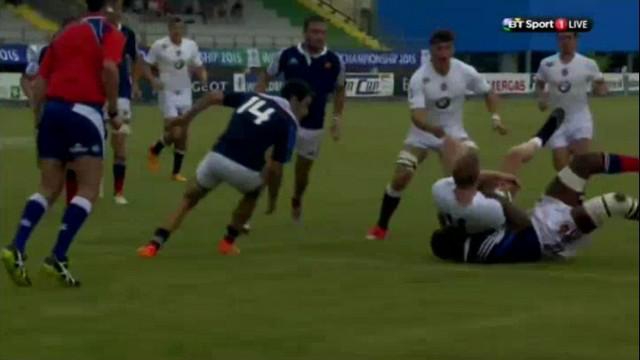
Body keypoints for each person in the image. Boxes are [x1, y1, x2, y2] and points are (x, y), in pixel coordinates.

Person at [1, 0, 125, 287]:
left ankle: (16, 246)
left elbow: (40, 82)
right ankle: (57, 255)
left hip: (52, 112)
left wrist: (39, 119)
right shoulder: (108, 32)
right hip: (83, 112)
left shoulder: (64, 34)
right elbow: (109, 68)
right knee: (89, 188)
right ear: (108, 7)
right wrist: (115, 111)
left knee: (48, 187)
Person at [137, 80, 312, 258]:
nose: (306, 112)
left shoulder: (253, 96)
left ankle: (154, 245)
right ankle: (228, 242)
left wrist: (186, 118)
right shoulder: (289, 124)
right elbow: (276, 169)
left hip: (216, 160)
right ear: (294, 100)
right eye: (306, 106)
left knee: (188, 201)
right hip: (246, 173)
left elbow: (214, 96)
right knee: (253, 192)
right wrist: (272, 200)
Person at [365, 29, 506, 240]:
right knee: (402, 176)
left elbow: (489, 92)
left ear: (453, 49)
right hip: (422, 135)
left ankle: (469, 228)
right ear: (431, 51)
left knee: (465, 178)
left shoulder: (464, 70)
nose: (443, 53)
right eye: (439, 48)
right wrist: (434, 130)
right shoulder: (420, 78)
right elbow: (417, 117)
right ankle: (381, 226)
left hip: (454, 134)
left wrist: (495, 118)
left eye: (447, 48)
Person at [430, 147, 639, 264]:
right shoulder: (483, 235)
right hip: (547, 237)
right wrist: (495, 195)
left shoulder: (452, 205)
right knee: (615, 202)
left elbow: (465, 186)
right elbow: (523, 223)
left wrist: (494, 185)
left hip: (542, 216)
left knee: (584, 162)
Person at [257, 15, 346, 222]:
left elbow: (340, 90)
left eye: (323, 32)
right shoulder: (287, 55)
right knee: (272, 166)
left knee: (302, 173)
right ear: (305, 33)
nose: (319, 36)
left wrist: (336, 118)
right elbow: (265, 77)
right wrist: (259, 100)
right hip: (284, 121)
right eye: (315, 32)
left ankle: (297, 198)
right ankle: (269, 201)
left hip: (314, 125)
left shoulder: (334, 61)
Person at [144, 16, 207, 182]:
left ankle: (175, 172)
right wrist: (152, 80)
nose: (177, 32)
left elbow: (198, 65)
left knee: (184, 133)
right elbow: (146, 65)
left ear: (183, 30)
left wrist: (203, 78)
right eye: (174, 29)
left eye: (180, 29)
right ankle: (155, 150)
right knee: (175, 131)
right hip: (167, 92)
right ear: (169, 29)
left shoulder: (191, 45)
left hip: (185, 91)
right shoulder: (159, 45)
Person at [535, 31, 608, 171]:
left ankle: (579, 192)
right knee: (560, 164)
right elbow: (539, 82)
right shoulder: (547, 63)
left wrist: (600, 90)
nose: (565, 41)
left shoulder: (588, 63)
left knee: (581, 162)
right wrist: (542, 97)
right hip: (557, 120)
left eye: (568, 38)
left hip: (580, 118)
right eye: (561, 38)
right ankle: (567, 190)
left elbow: (600, 84)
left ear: (576, 40)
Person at [106, 1, 143, 205]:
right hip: (96, 93)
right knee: (96, 143)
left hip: (121, 94)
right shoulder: (97, 30)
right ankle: (95, 185)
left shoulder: (128, 33)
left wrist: (135, 83)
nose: (114, 10)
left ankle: (118, 192)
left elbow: (136, 59)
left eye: (118, 6)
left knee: (119, 142)